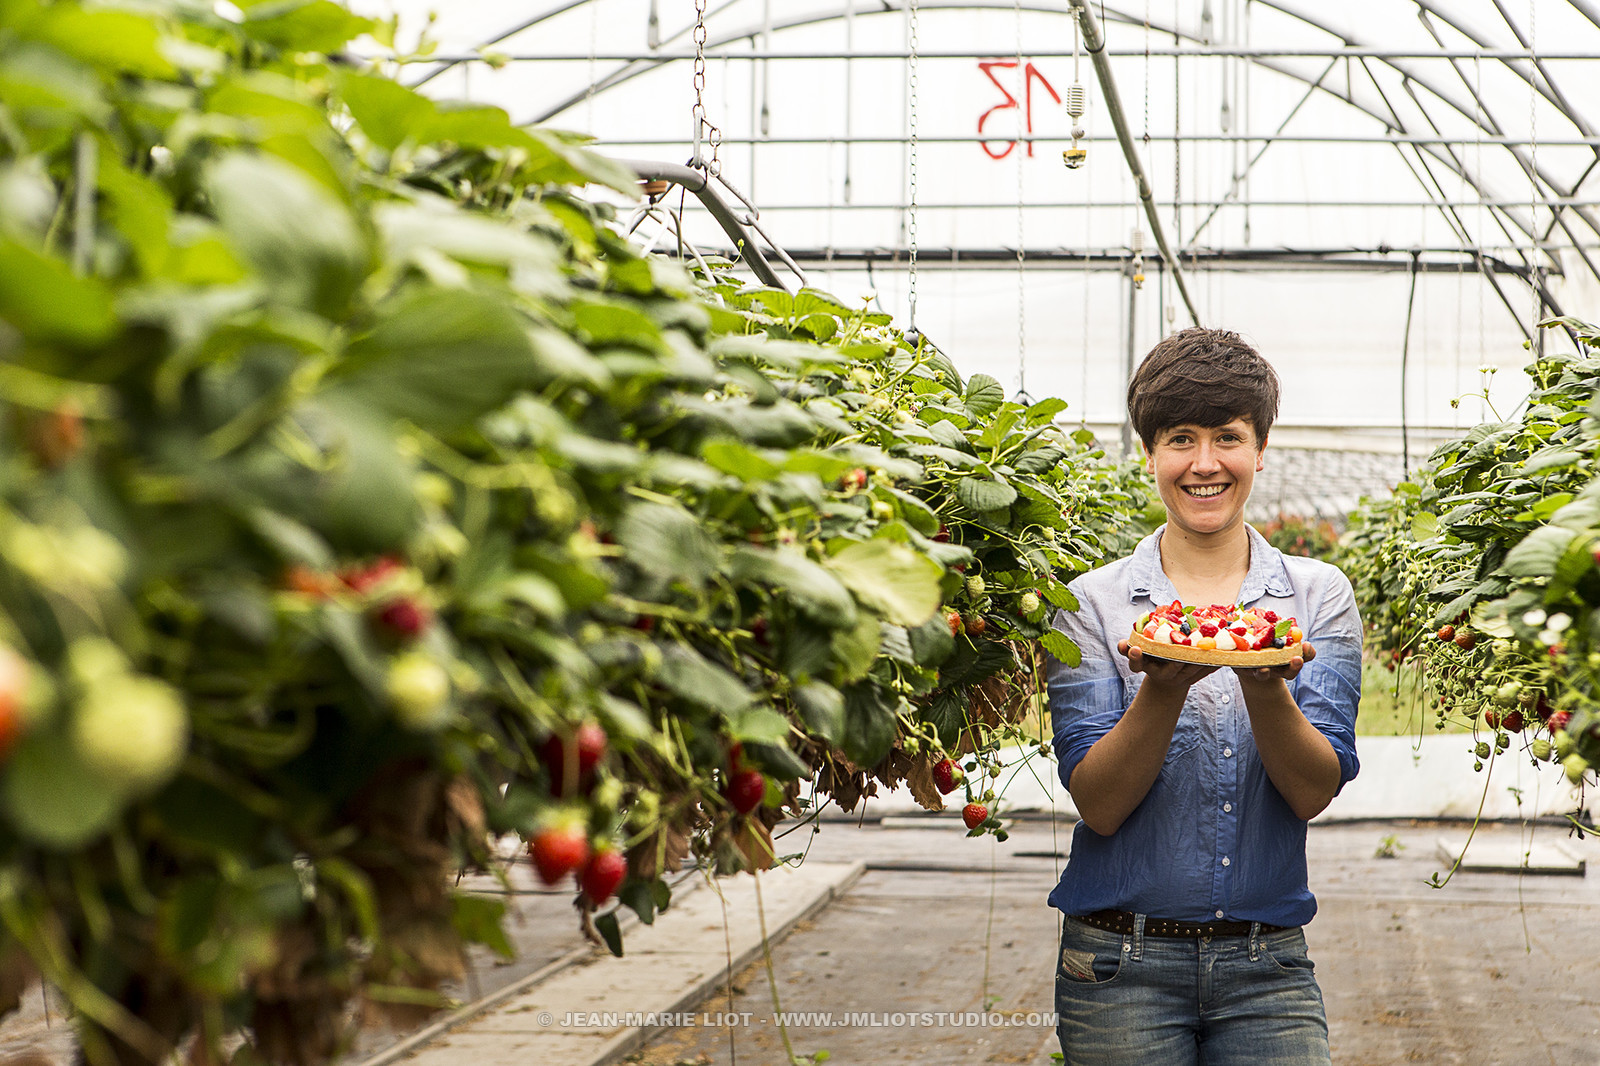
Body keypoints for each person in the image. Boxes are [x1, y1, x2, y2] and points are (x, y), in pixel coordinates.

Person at [1045, 328, 1362, 1065]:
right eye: (1180, 439)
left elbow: (1314, 791)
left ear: (1260, 450)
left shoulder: (1317, 598)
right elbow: (1099, 803)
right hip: (1117, 965)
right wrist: (1160, 691)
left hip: (1268, 969)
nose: (1205, 463)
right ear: (1150, 455)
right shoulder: (1092, 604)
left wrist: (1266, 685)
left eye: (1228, 436)